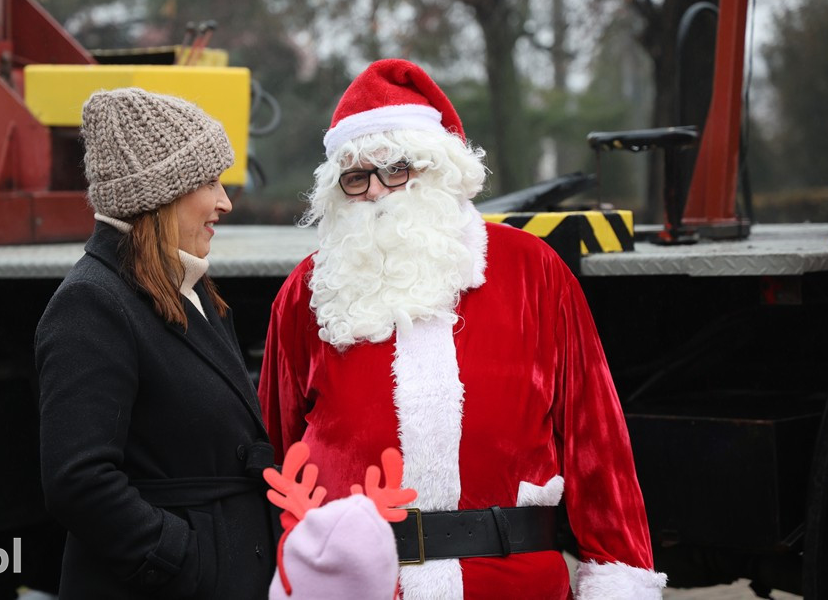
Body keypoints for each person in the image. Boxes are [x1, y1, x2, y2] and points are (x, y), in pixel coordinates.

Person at [258, 59, 667, 599]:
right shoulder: (309, 290)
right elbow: (274, 450)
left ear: (438, 169)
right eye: (356, 178)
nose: (377, 192)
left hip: (510, 583)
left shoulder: (532, 271)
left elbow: (599, 446)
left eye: (396, 170)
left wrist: (620, 581)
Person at [36, 88, 276, 600]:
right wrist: (187, 559)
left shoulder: (185, 289)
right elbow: (78, 481)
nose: (224, 202)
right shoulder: (91, 303)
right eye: (208, 181)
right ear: (159, 193)